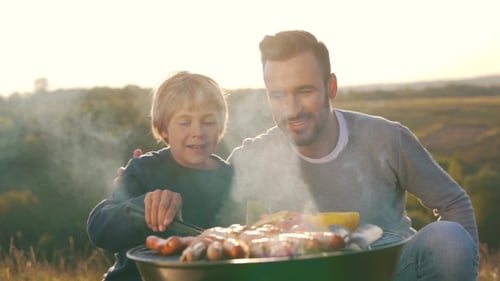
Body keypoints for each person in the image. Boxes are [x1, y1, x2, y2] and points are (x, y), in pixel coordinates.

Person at [119, 31, 479, 281]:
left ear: (331, 87)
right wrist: (145, 177)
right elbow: (202, 183)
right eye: (277, 95)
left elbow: (454, 204)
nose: (291, 109)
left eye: (303, 91)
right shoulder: (253, 157)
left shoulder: (386, 139)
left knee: (448, 238)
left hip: (388, 271)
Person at [86, 71, 234, 281]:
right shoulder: (145, 169)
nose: (198, 131)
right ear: (164, 129)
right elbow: (100, 229)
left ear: (220, 126)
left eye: (208, 121)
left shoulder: (230, 178)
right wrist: (142, 208)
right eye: (184, 122)